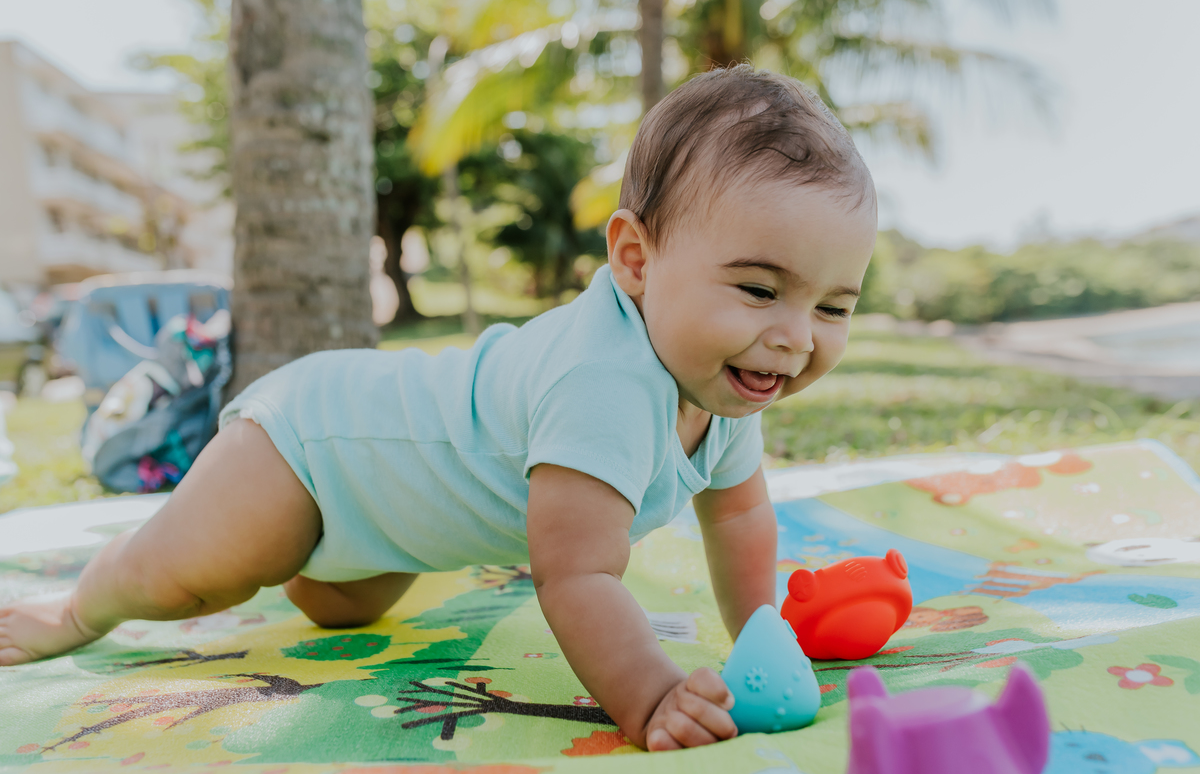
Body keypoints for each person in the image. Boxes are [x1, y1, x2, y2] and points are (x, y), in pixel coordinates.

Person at [0, 65, 876, 751]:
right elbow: (576, 575)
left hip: (389, 511)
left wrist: (761, 638)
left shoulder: (727, 378)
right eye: (760, 289)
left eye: (833, 306)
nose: (795, 337)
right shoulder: (601, 379)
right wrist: (650, 694)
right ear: (636, 260)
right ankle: (74, 608)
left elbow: (740, 514)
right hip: (312, 446)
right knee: (191, 576)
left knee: (341, 605)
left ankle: (318, 552)